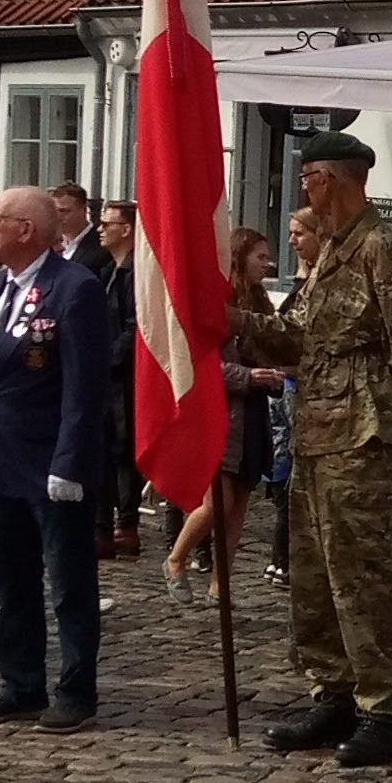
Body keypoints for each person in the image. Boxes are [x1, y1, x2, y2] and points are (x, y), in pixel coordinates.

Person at [230, 139, 392, 768]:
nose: (303, 190)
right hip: (317, 430)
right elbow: (297, 337)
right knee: (313, 572)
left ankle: (383, 710)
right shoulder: (329, 252)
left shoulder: (380, 247)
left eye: (309, 179)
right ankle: (334, 693)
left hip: (360, 432)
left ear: (331, 179)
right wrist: (232, 320)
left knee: (360, 573)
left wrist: (386, 402)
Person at [0, 179, 111, 730]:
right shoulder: (0, 284)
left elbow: (84, 387)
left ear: (26, 230)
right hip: (0, 460)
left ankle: (77, 690)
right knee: (12, 580)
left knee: (69, 583)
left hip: (51, 464)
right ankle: (21, 683)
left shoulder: (75, 288)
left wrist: (69, 462)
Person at [169, 228, 289, 597]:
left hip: (252, 415)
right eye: (260, 257)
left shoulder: (262, 303)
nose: (267, 264)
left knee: (238, 506)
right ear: (240, 257)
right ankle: (176, 559)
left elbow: (270, 351)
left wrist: (274, 375)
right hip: (220, 415)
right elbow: (202, 366)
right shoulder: (220, 301)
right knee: (217, 503)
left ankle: (220, 584)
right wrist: (248, 377)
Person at [94, 196, 144, 560]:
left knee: (124, 449)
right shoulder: (108, 271)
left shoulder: (135, 275)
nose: (100, 229)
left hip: (125, 377)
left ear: (126, 230)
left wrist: (108, 358)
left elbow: (136, 326)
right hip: (106, 376)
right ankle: (102, 525)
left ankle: (127, 525)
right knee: (104, 449)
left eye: (106, 224)